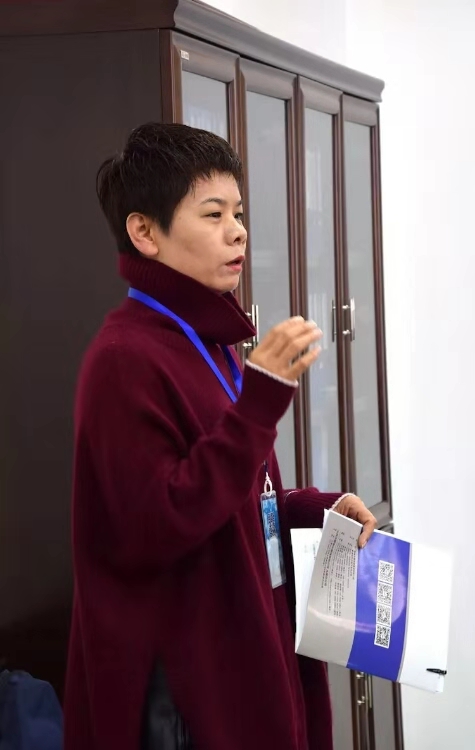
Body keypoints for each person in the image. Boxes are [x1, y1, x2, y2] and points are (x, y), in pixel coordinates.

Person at [63, 122, 377, 750]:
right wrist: (260, 404)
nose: (237, 231)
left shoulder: (211, 342)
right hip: (183, 693)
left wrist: (312, 509)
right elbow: (155, 525)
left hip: (243, 645)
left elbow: (228, 493)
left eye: (238, 213)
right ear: (144, 232)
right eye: (213, 214)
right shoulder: (124, 357)